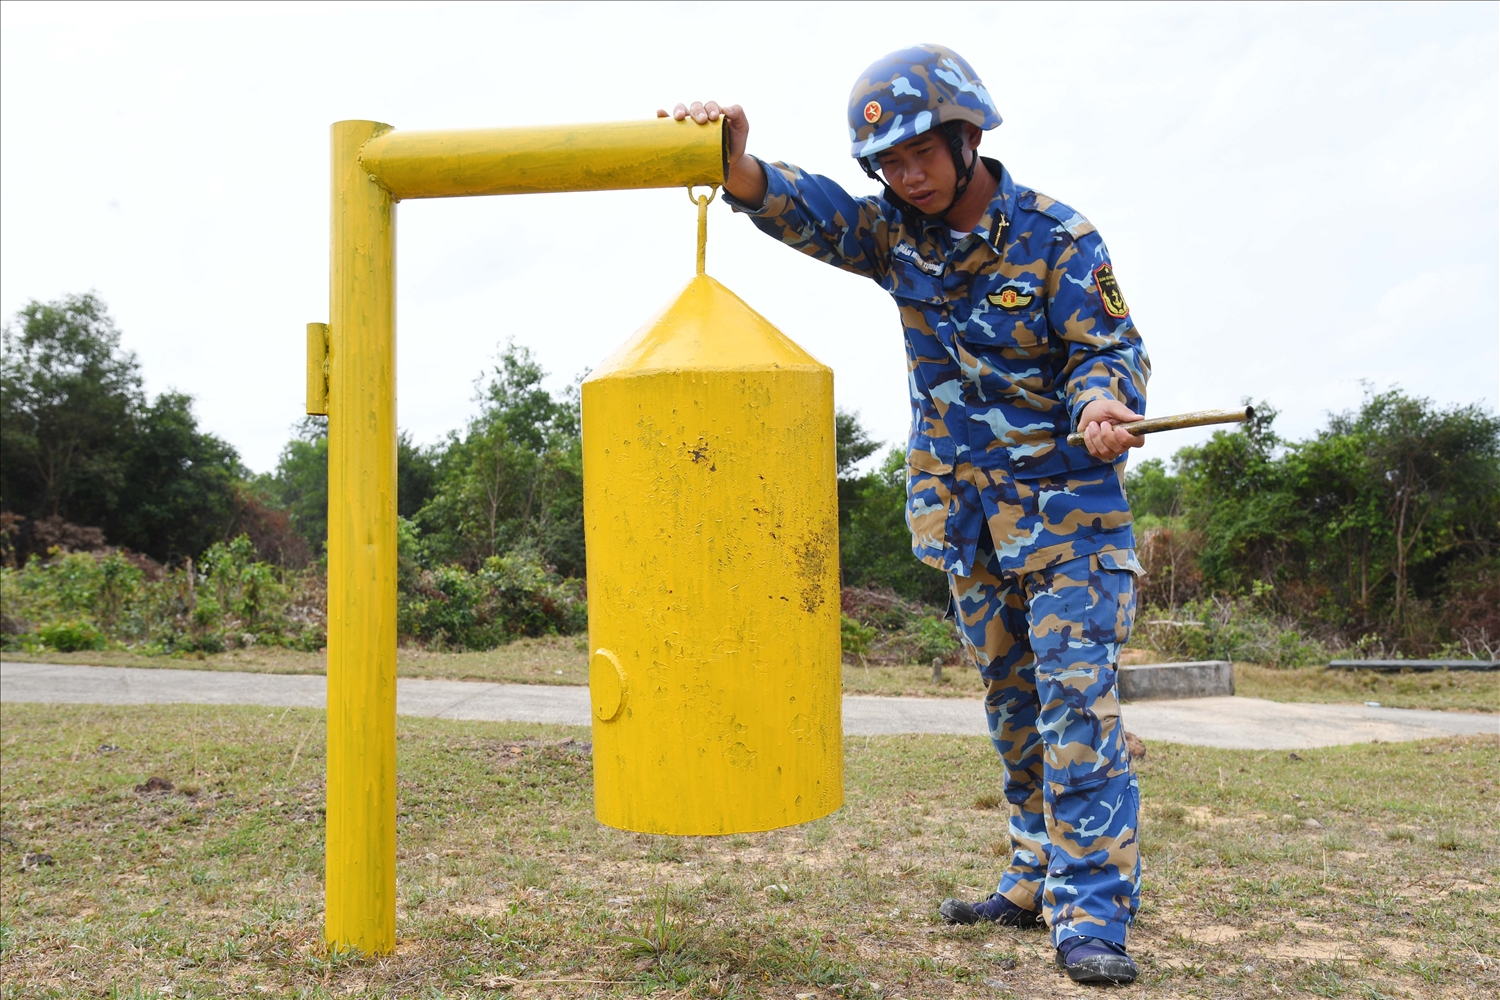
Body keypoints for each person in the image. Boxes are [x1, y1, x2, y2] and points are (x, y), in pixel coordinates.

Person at [663, 42, 1150, 987]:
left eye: (923, 153)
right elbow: (817, 214)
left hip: (1068, 524)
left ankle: (1091, 918)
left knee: (1076, 713)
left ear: (970, 138)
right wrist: (737, 171)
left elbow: (1111, 349)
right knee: (1014, 712)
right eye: (887, 162)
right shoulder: (895, 234)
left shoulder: (1058, 237)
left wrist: (1099, 402)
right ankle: (1031, 878)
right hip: (967, 523)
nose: (907, 175)